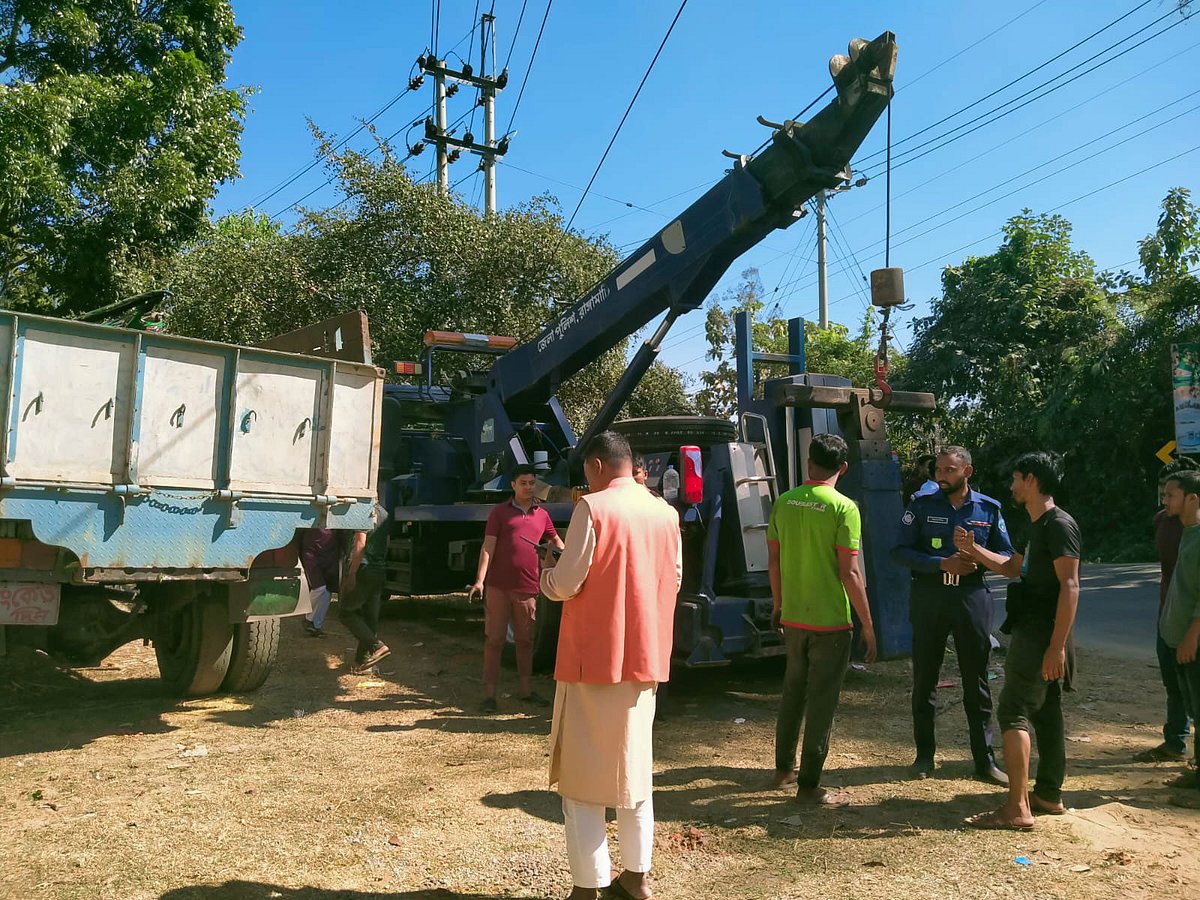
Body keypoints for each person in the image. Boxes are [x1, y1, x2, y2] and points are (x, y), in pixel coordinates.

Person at [539, 431, 681, 900]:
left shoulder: (593, 507)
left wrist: (547, 576)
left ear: (597, 465)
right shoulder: (665, 512)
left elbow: (570, 579)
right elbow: (674, 579)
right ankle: (637, 877)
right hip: (645, 657)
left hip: (592, 658)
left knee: (582, 781)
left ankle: (588, 885)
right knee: (635, 773)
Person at [958, 451, 1081, 830]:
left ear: (1030, 479)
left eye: (1015, 478)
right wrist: (973, 549)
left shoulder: (1059, 525)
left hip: (1042, 634)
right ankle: (1048, 794)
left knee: (1013, 711)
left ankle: (1017, 808)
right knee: (1045, 710)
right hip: (1034, 630)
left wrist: (1057, 646)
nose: (1011, 486)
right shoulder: (1037, 525)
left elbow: (1071, 586)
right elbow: (1014, 568)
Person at [891, 446, 1012, 785]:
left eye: (949, 471)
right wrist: (941, 563)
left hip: (970, 596)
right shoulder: (922, 506)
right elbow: (899, 551)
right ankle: (924, 756)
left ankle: (984, 760)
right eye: (938, 470)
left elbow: (1006, 554)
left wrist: (977, 555)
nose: (941, 477)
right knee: (925, 679)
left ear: (967, 472)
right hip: (930, 596)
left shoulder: (988, 508)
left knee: (977, 679)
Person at [769, 432, 878, 807]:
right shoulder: (844, 508)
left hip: (794, 618)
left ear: (808, 461)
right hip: (831, 622)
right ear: (843, 468)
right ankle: (810, 784)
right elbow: (850, 572)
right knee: (821, 703)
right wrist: (867, 623)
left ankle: (784, 770)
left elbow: (773, 560)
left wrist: (778, 604)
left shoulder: (783, 502)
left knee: (792, 695)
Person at [470, 464, 564, 713]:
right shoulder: (500, 513)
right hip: (498, 587)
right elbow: (488, 547)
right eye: (523, 483)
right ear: (512, 485)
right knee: (495, 641)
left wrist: (562, 554)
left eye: (532, 483)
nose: (528, 487)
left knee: (525, 641)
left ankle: (526, 691)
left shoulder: (541, 515)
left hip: (527, 587)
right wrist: (480, 580)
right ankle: (489, 695)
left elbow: (554, 540)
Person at [1135, 457, 1200, 764]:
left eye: (1171, 491)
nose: (1165, 496)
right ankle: (1175, 741)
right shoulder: (1163, 522)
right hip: (1169, 617)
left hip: (1192, 625)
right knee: (1175, 686)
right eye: (1162, 490)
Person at [1158, 468, 1200, 808]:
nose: (1165, 499)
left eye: (1171, 494)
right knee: (1193, 708)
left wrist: (1191, 637)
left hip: (1193, 642)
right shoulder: (1186, 532)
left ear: (1192, 498)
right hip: (1179, 638)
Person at [340, 505, 392, 675]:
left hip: (364, 568)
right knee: (370, 618)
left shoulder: (363, 511)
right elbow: (387, 540)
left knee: (346, 613)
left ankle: (377, 646)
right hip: (379, 569)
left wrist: (351, 573)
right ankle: (363, 663)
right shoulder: (384, 513)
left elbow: (360, 543)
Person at [299, 528, 338, 637]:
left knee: (327, 591)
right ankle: (308, 618)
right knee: (319, 588)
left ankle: (316, 626)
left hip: (330, 556)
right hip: (311, 554)